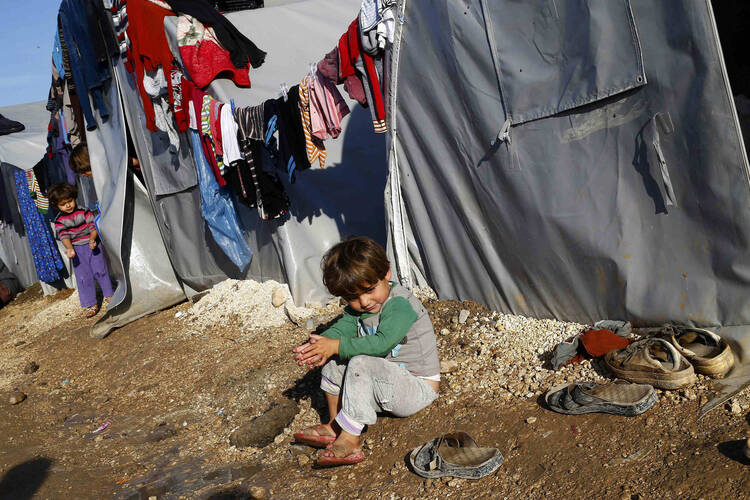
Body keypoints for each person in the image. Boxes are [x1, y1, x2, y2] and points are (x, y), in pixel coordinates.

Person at [292, 237, 440, 466]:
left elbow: (381, 343)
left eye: (370, 290)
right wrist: (321, 344)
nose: (364, 301)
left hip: (416, 388)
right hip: (386, 385)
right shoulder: (359, 308)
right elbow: (344, 328)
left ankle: (351, 440)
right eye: (352, 297)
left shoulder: (400, 304)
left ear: (387, 274)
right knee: (335, 360)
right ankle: (336, 426)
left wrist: (337, 346)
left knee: (359, 360)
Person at [48, 183, 114, 318]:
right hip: (77, 250)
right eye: (63, 204)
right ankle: (91, 304)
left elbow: (93, 226)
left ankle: (109, 296)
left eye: (70, 201)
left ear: (74, 198)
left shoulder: (84, 211)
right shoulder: (59, 220)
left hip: (92, 245)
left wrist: (92, 239)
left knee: (100, 270)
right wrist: (70, 248)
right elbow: (64, 236)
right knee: (84, 277)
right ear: (56, 206)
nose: (68, 205)